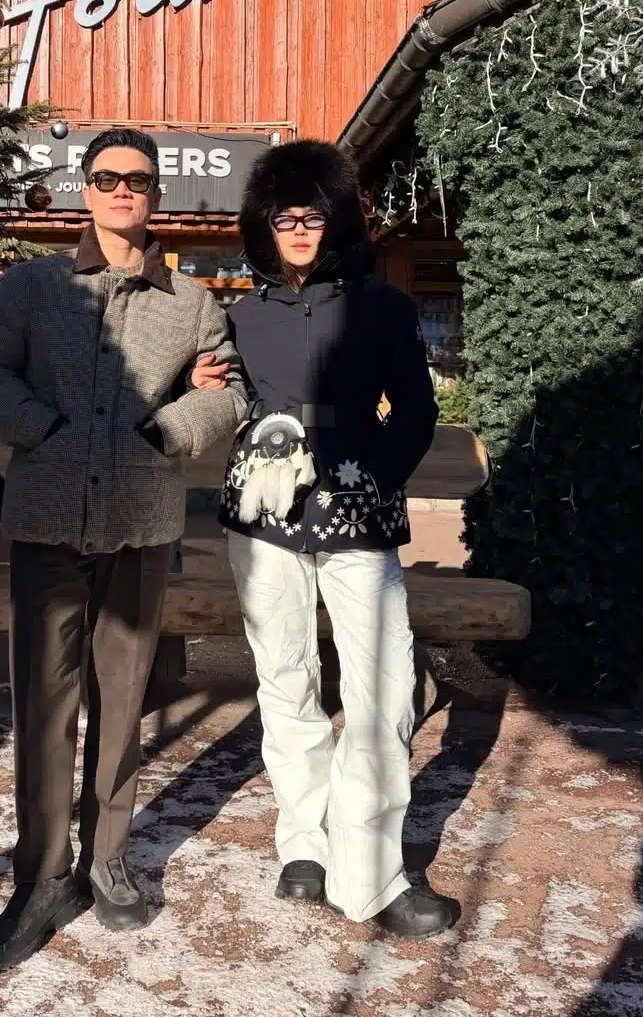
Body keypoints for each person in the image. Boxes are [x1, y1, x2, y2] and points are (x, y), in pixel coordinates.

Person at [0, 127, 247, 972]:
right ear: (86, 189)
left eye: (140, 180)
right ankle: (42, 876)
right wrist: (41, 428)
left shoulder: (191, 302)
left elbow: (227, 390)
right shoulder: (36, 286)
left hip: (141, 525)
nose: (124, 190)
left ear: (158, 196)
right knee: (44, 706)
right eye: (108, 176)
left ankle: (108, 858)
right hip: (47, 522)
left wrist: (167, 429)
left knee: (124, 701)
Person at [192, 139, 458, 940]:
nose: (299, 229)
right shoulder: (240, 315)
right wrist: (201, 386)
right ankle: (302, 847)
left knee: (382, 685)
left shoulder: (381, 306)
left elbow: (414, 412)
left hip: (358, 511)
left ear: (335, 218)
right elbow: (216, 392)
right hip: (264, 513)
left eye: (312, 214)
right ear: (262, 226)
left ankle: (371, 873)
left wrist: (367, 474)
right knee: (283, 676)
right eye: (284, 217)